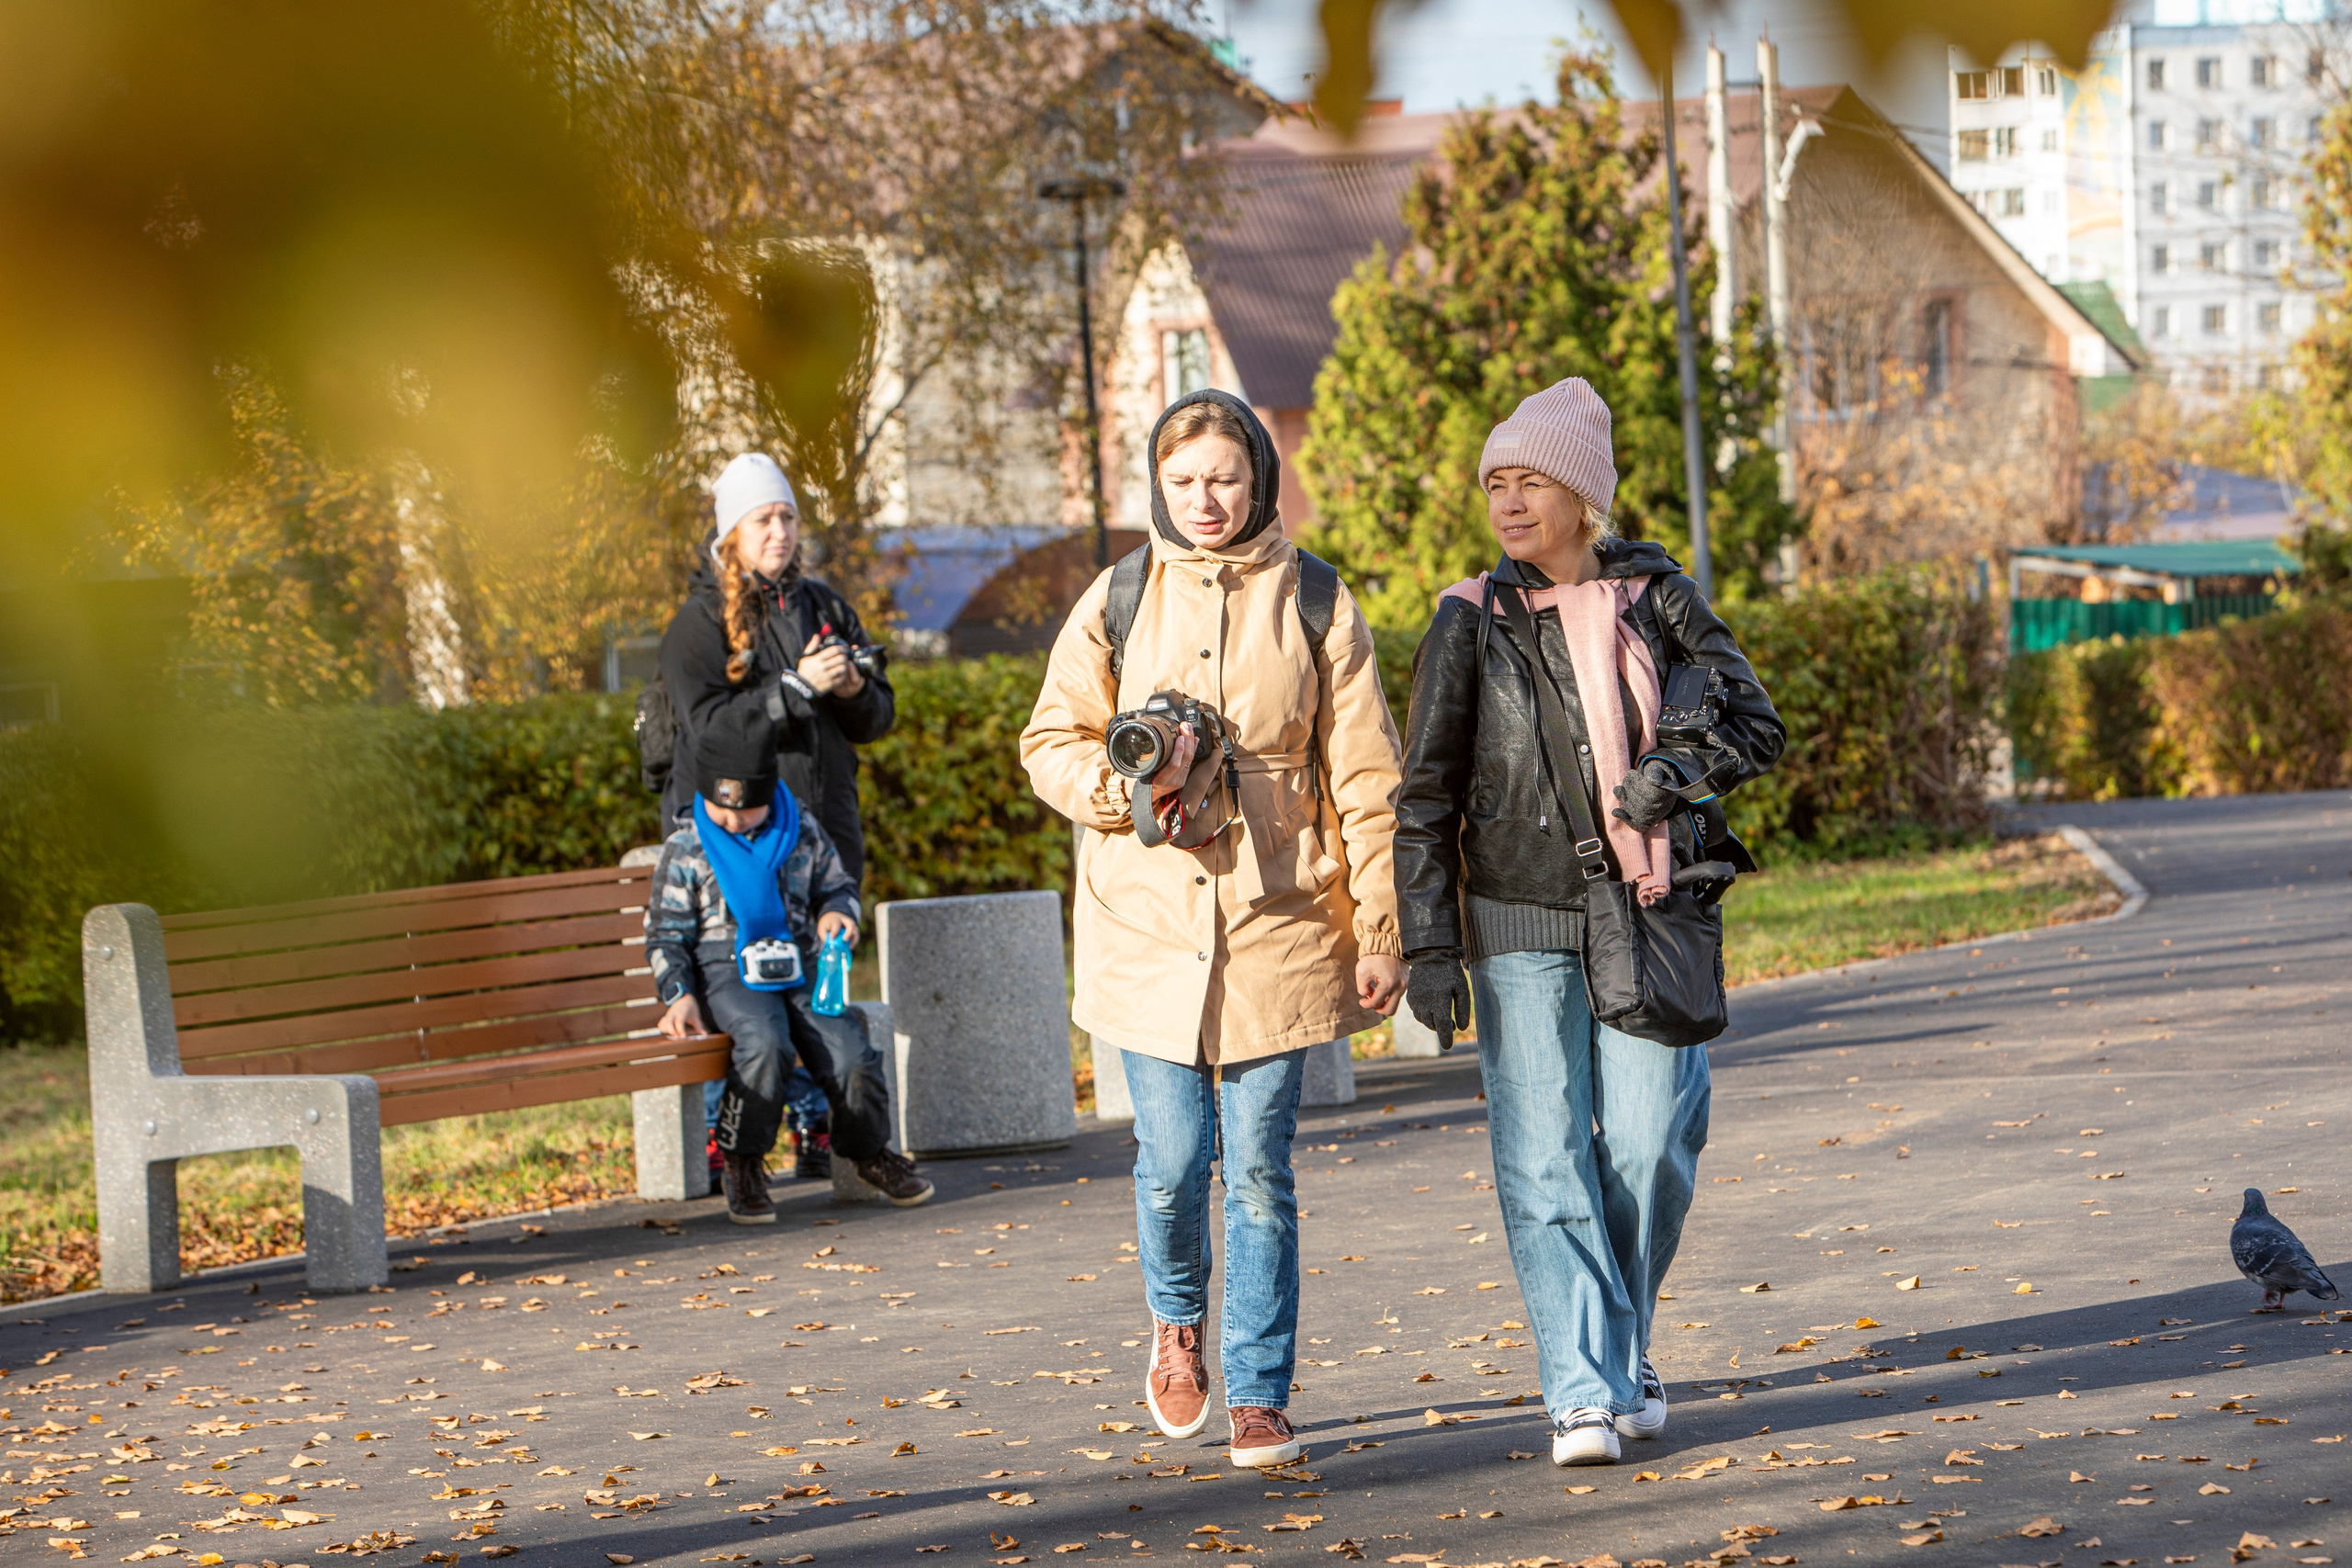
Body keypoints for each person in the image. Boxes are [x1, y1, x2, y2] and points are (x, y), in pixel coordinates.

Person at [1393, 378, 1784, 1468]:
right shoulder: (1469, 615)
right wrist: (1428, 941)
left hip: (1649, 910)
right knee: (1544, 1153)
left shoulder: (1660, 598)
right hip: (1514, 917)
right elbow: (1423, 791)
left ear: (1581, 493)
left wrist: (1672, 768)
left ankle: (1623, 1340)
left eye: (1529, 481)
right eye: (1495, 484)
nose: (1508, 503)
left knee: (1655, 1142)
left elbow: (1754, 722)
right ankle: (1579, 1387)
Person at [1021, 389, 1407, 1471]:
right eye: (1183, 480)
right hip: (1142, 919)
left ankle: (1259, 1389)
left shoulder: (1320, 600)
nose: (1204, 499)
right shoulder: (1117, 595)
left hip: (1279, 920)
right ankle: (1176, 1324)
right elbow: (1050, 737)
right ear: (1159, 483)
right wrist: (1120, 788)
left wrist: (1381, 926)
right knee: (1173, 1157)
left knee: (1262, 1172)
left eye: (1224, 479)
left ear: (1260, 482)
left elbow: (1370, 778)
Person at [646, 705, 933, 1221]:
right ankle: (744, 1161)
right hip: (724, 970)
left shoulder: (800, 828)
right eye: (721, 808)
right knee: (764, 1044)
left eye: (747, 810)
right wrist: (678, 994)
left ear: (770, 794)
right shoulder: (687, 847)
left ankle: (867, 1150)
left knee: (848, 1050)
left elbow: (837, 887)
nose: (733, 820)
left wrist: (838, 916)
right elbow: (665, 933)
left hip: (798, 960)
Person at [660, 452, 895, 886]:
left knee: (832, 952)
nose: (779, 532)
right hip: (739, 844)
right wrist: (798, 688)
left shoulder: (826, 606)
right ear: (732, 531)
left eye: (788, 517)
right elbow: (710, 731)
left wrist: (853, 689)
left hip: (829, 832)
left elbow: (878, 719)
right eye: (762, 519)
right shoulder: (697, 623)